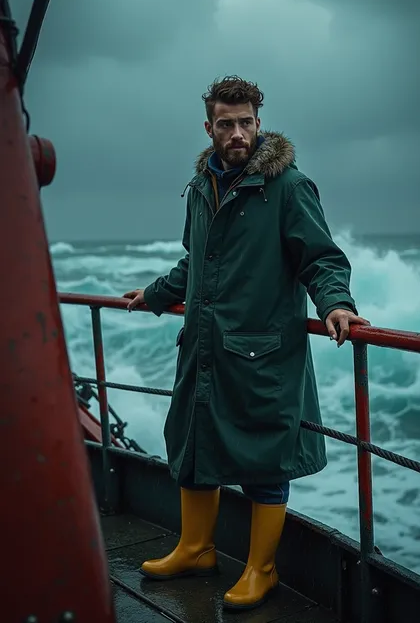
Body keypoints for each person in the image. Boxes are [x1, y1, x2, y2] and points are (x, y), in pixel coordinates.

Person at [123, 75, 370, 611]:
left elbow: (320, 258)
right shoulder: (201, 188)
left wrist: (336, 303)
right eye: (226, 123)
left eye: (246, 123)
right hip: (205, 346)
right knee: (192, 446)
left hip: (262, 352)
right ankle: (196, 548)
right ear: (209, 127)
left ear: (259, 123)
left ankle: (262, 569)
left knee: (264, 461)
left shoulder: (288, 186)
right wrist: (158, 293)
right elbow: (198, 261)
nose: (237, 132)